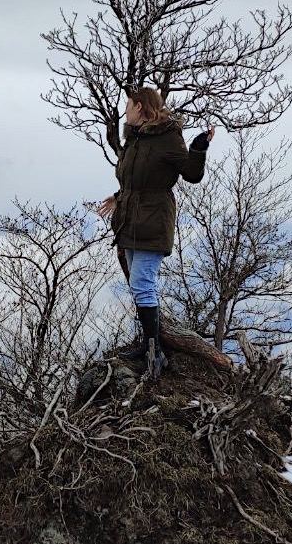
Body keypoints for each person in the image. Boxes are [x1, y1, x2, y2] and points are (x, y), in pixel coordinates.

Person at [97, 86, 215, 377]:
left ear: (140, 107)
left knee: (142, 282)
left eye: (128, 106)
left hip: (154, 220)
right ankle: (148, 345)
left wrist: (198, 148)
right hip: (130, 220)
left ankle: (155, 352)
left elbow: (192, 174)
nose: (125, 111)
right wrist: (119, 196)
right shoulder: (135, 138)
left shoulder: (168, 137)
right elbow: (136, 178)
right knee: (138, 284)